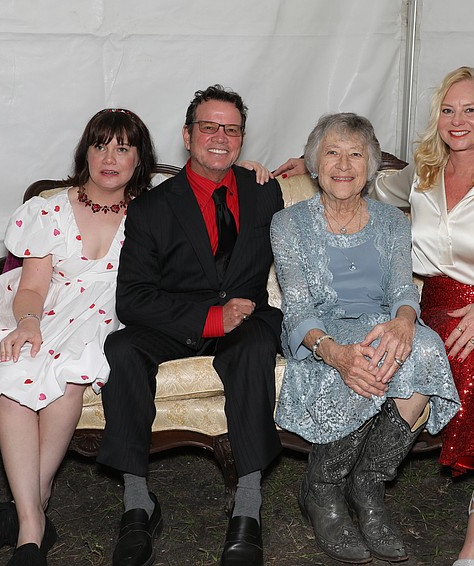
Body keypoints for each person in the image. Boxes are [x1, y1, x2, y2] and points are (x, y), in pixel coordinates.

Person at [275, 66, 474, 566]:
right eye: (448, 109)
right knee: (389, 351)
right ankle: (325, 488)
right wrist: (313, 160)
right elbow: (369, 181)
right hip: (425, 306)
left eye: (470, 109)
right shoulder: (421, 175)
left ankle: (436, 498)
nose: (458, 119)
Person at [0, 108, 157, 565]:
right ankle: (33, 525)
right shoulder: (48, 210)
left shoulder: (151, 213)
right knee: (13, 376)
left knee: (69, 377)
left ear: (139, 159)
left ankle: (29, 513)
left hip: (108, 315)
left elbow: (210, 188)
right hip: (48, 308)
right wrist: (28, 322)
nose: (110, 158)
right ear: (85, 153)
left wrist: (254, 167)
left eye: (123, 148)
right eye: (100, 146)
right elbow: (31, 288)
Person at [95, 85, 283, 566]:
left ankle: (248, 506)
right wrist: (210, 318)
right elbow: (132, 298)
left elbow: (337, 171)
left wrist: (303, 162)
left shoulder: (265, 191)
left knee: (253, 348)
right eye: (209, 127)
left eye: (231, 129)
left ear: (242, 139)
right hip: (177, 321)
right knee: (122, 348)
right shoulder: (152, 207)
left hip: (247, 319)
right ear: (187, 135)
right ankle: (137, 503)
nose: (220, 137)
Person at [270, 113, 460, 564]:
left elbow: (401, 289)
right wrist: (335, 353)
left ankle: (368, 486)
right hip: (320, 335)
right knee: (371, 356)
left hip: (379, 325)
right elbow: (296, 307)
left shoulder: (392, 221)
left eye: (355, 154)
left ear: (370, 165)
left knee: (426, 347)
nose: (343, 164)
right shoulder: (288, 222)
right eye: (332, 153)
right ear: (314, 162)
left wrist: (406, 320)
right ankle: (322, 489)